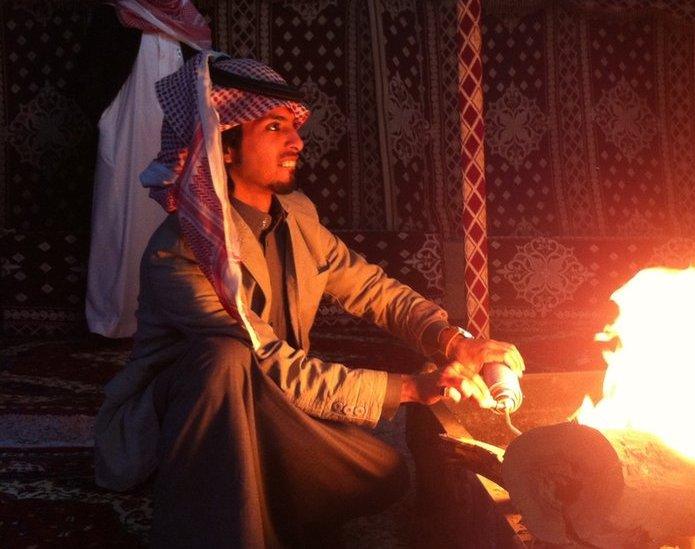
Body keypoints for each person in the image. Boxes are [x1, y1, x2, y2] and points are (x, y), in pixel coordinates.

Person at [93, 53, 525, 547]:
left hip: (279, 412)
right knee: (224, 358)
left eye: (293, 127)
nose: (296, 141)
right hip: (190, 429)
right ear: (224, 147)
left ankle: (260, 489)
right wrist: (409, 388)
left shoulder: (297, 216)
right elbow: (270, 363)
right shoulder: (182, 250)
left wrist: (451, 340)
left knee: (385, 474)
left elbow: (371, 288)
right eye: (274, 128)